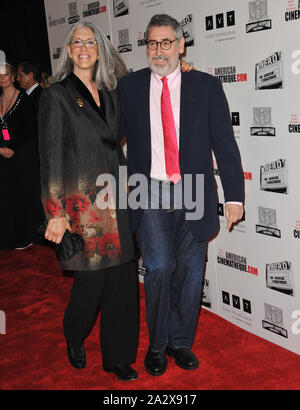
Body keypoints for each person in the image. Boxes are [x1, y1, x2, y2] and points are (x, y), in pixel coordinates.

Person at [118, 14, 244, 376]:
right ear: (146, 47)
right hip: (150, 190)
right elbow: (110, 135)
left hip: (195, 192)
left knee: (190, 272)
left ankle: (179, 343)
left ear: (181, 44)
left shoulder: (205, 86)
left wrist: (234, 196)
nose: (159, 50)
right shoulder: (129, 87)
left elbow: (224, 143)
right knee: (158, 268)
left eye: (166, 42)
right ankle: (157, 346)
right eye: (152, 43)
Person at [38, 21, 139, 381]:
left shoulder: (110, 93)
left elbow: (115, 145)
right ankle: (73, 333)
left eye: (91, 42)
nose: (84, 48)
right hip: (82, 208)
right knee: (92, 283)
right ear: (69, 50)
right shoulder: (56, 95)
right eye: (77, 42)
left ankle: (117, 357)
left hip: (118, 199)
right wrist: (55, 213)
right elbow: (50, 158)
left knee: (123, 281)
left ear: (100, 49)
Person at [0, 62, 41, 250]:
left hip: (22, 154)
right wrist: (0, 147)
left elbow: (31, 128)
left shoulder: (24, 99)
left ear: (13, 76)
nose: (2, 78)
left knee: (24, 193)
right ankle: (9, 236)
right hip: (2, 155)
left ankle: (27, 234)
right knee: (7, 196)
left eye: (5, 74)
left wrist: (12, 147)